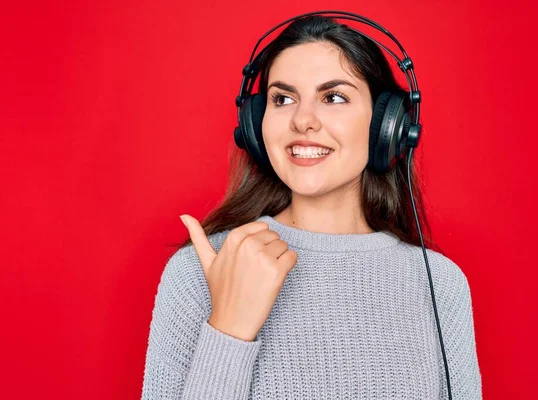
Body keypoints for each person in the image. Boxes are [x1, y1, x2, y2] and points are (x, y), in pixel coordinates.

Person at [141, 14, 482, 399]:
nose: (303, 120)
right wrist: (229, 330)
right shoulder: (202, 272)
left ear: (387, 125)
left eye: (334, 97)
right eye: (283, 99)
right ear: (255, 125)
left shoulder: (439, 284)